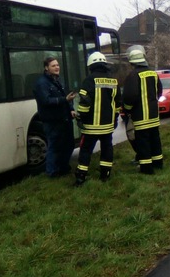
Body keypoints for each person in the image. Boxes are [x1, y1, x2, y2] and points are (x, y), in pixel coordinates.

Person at [74, 52, 122, 186]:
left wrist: (80, 118)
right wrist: (115, 118)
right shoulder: (113, 80)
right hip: (107, 125)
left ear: (91, 66)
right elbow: (118, 103)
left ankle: (81, 177)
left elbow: (84, 102)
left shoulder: (89, 80)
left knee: (86, 150)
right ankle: (105, 174)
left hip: (91, 126)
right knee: (107, 148)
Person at [33, 57, 77, 178]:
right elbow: (46, 101)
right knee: (55, 146)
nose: (57, 67)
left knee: (68, 145)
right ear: (46, 68)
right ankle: (52, 172)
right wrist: (65, 99)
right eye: (53, 66)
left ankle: (63, 168)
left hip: (65, 119)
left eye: (57, 65)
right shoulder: (42, 83)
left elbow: (66, 98)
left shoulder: (58, 80)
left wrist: (71, 109)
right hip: (52, 121)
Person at [123, 48, 163, 175]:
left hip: (140, 118)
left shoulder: (133, 76)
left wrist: (127, 110)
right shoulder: (153, 73)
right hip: (154, 116)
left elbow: (130, 97)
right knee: (155, 140)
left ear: (132, 62)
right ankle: (158, 164)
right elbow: (159, 91)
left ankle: (146, 169)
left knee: (143, 143)